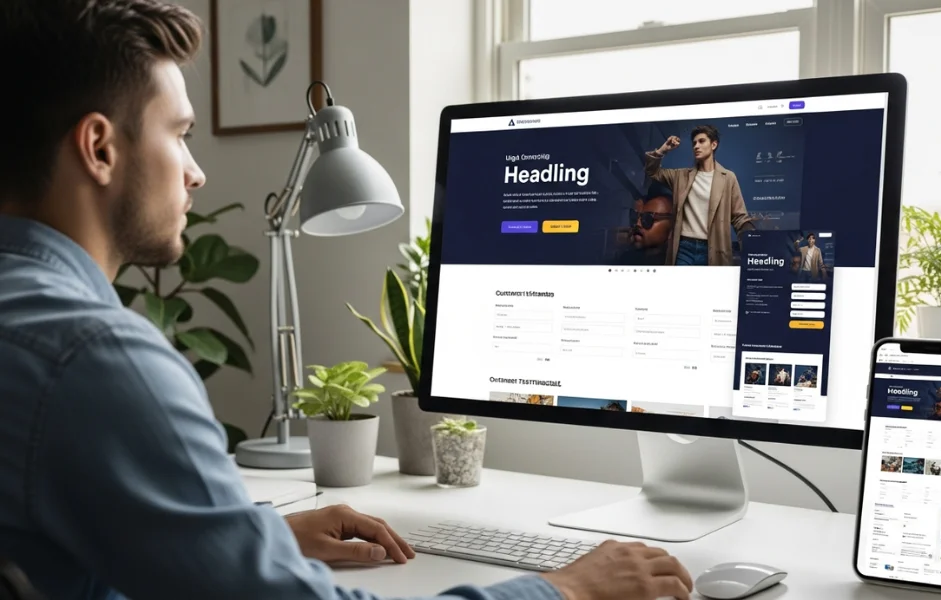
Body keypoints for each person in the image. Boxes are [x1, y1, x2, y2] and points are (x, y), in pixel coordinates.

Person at [0, 2, 694, 599]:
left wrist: (253, 540)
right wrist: (564, 588)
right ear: (98, 147)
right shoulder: (92, 359)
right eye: (180, 134)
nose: (197, 171)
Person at [643, 125, 754, 266]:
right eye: (694, 143)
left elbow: (739, 217)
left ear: (713, 145)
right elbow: (652, 172)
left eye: (701, 141)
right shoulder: (681, 176)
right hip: (684, 248)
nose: (696, 146)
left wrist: (753, 242)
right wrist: (663, 150)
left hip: (713, 249)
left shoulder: (728, 178)